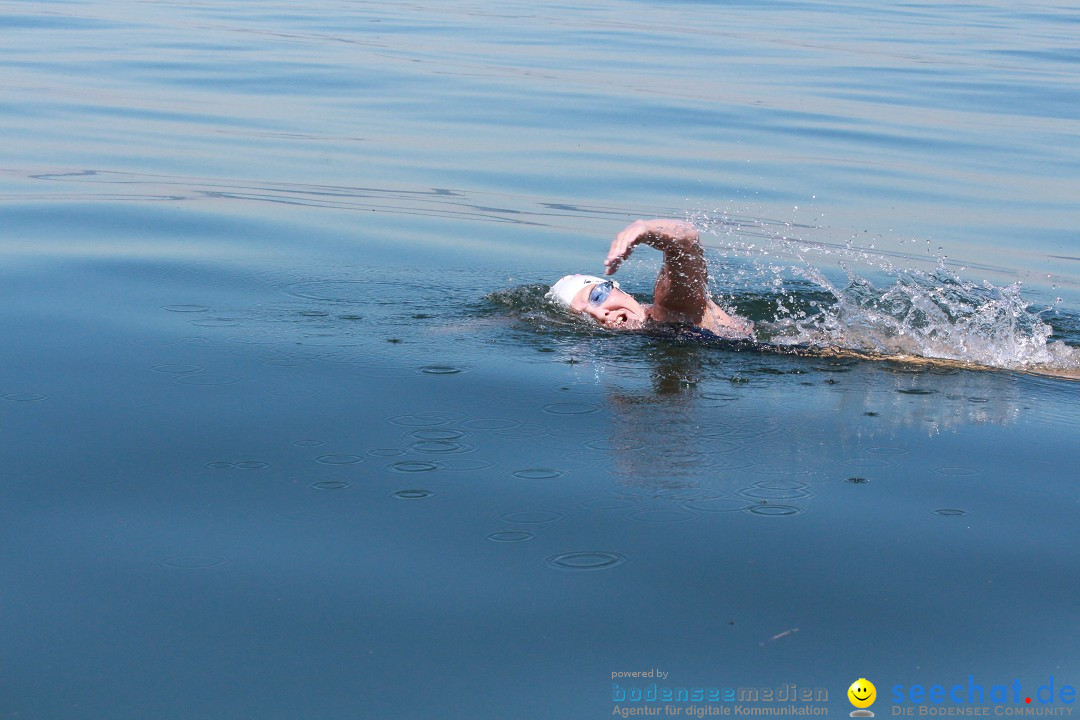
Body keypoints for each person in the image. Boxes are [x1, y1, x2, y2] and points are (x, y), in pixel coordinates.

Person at [547, 219, 753, 338]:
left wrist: (646, 230)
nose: (599, 314)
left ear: (618, 289)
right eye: (584, 316)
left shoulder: (668, 310)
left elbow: (687, 242)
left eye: (597, 296)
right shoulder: (650, 328)